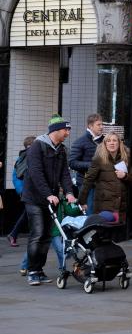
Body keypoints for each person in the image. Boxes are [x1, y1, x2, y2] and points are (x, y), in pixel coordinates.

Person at [22, 115, 77, 285]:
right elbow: (35, 173)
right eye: (65, 130)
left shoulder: (61, 149)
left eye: (68, 130)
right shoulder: (37, 147)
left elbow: (65, 174)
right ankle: (32, 271)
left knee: (46, 236)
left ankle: (39, 270)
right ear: (55, 130)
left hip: (50, 200)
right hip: (34, 198)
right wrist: (48, 194)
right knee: (37, 234)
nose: (68, 133)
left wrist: (68, 192)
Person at [80, 133, 132, 223]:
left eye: (114, 140)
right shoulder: (99, 159)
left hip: (121, 206)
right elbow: (88, 181)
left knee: (118, 234)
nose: (112, 143)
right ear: (105, 144)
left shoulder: (125, 159)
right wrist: (82, 201)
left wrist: (125, 176)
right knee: (105, 233)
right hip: (104, 205)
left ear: (119, 143)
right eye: (108, 141)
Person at [20, 200, 82, 276]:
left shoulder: (63, 200)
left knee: (60, 250)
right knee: (36, 248)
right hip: (51, 230)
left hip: (55, 230)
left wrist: (79, 207)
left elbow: (70, 211)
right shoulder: (48, 200)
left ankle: (63, 269)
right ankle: (24, 266)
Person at [68, 113, 104, 208]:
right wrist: (91, 165)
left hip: (103, 183)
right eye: (98, 125)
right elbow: (72, 163)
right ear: (90, 126)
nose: (101, 127)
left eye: (102, 124)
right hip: (87, 184)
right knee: (90, 213)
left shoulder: (106, 141)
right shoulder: (80, 142)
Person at [7, 136, 35, 248]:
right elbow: (16, 177)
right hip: (26, 191)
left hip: (28, 190)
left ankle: (13, 234)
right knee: (28, 213)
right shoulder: (24, 158)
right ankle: (13, 234)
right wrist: (22, 191)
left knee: (28, 213)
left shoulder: (28, 157)